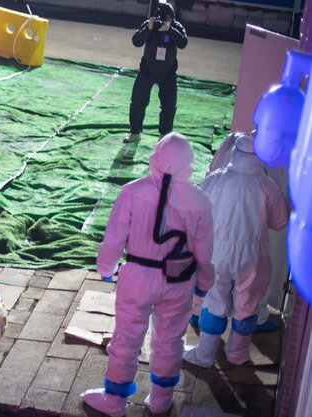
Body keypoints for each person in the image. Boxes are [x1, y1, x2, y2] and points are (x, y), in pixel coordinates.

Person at [82, 133, 214, 416]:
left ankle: (115, 400)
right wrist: (204, 283)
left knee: (127, 337)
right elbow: (204, 252)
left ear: (155, 157)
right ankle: (161, 400)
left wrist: (106, 268)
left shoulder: (132, 191)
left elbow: (114, 240)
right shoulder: (200, 201)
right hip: (180, 282)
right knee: (170, 340)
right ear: (189, 165)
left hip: (138, 278)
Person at [183, 134, 289, 368]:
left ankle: (204, 356)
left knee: (214, 301)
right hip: (253, 255)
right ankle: (237, 355)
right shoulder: (266, 184)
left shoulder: (217, 179)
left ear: (234, 153)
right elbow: (280, 221)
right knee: (248, 303)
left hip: (216, 252)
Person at [123, 1, 187, 143]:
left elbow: (183, 42)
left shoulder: (176, 26)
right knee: (138, 101)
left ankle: (164, 135)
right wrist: (149, 28)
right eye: (166, 17)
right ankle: (135, 132)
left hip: (168, 71)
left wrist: (169, 28)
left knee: (169, 105)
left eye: (171, 17)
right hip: (147, 68)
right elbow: (136, 41)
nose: (168, 20)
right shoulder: (150, 24)